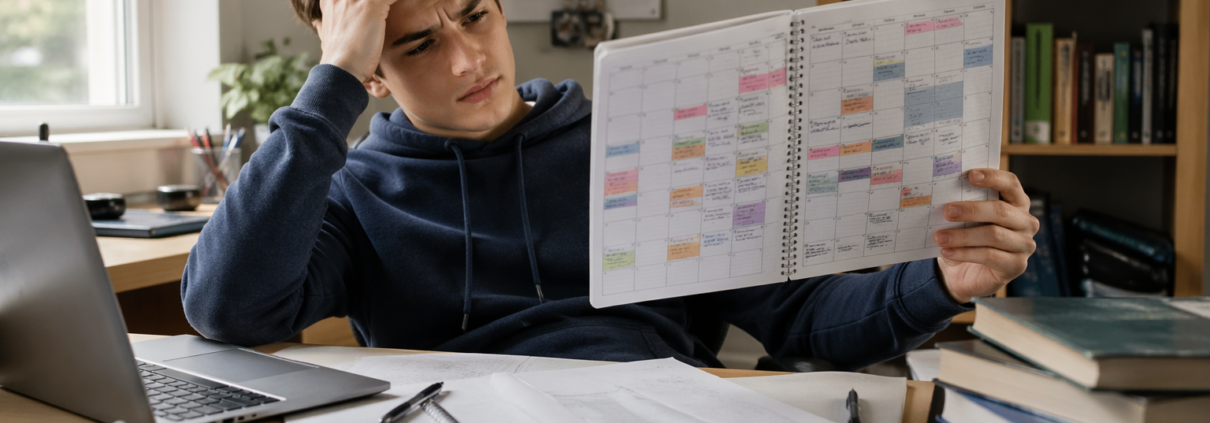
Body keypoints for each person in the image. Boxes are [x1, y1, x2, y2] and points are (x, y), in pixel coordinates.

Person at [181, 0, 1038, 369]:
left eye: (474, 15)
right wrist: (329, 76)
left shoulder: (647, 141)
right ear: (368, 74)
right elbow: (226, 306)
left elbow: (804, 321)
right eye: (415, 45)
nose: (468, 58)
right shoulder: (357, 190)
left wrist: (939, 282)